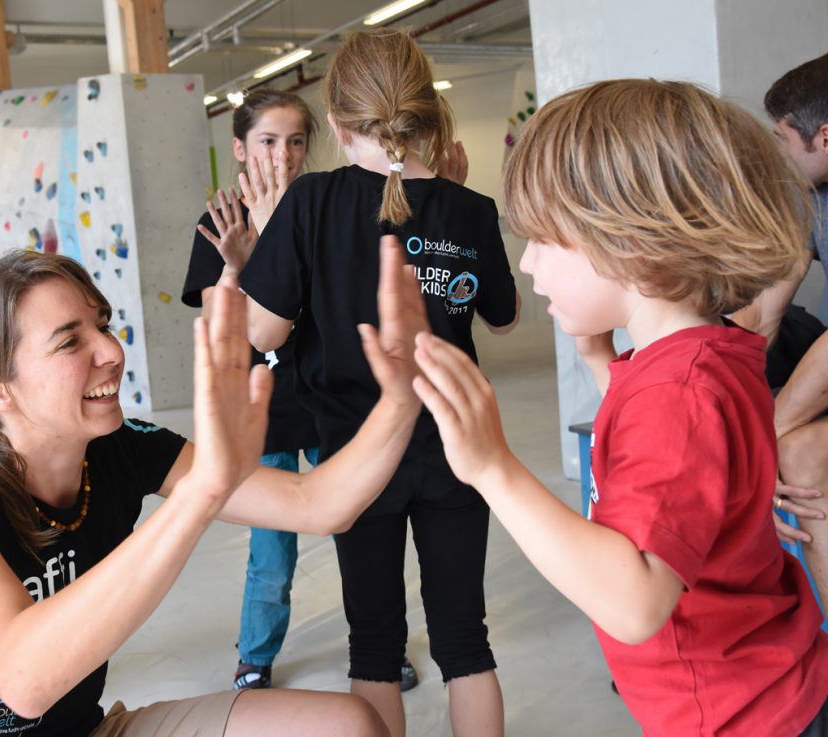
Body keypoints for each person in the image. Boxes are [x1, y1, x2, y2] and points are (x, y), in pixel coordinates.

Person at [411, 79, 828, 737]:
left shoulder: (677, 393)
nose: (526, 262)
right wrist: (599, 361)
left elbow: (635, 602)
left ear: (632, 242)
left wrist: (494, 467)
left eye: (547, 241)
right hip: (767, 687)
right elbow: (669, 463)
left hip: (736, 714)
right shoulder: (706, 351)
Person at [0, 242, 427, 737]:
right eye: (70, 341)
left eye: (104, 325)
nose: (111, 351)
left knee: (347, 725)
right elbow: (23, 680)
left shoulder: (121, 447)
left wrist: (399, 403)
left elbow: (317, 505)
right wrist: (200, 497)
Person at [232, 29, 520, 737]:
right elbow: (504, 318)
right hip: (457, 447)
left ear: (333, 122)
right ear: (428, 113)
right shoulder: (468, 207)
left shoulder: (309, 203)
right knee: (465, 641)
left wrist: (267, 241)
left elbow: (261, 333)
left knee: (375, 646)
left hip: (358, 456)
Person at [183, 88, 420, 693]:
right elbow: (223, 334)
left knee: (359, 534)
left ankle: (380, 645)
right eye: (267, 141)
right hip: (263, 411)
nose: (282, 156)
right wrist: (243, 259)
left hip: (332, 404)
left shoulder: (330, 208)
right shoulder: (218, 224)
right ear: (239, 149)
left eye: (295, 142)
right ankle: (255, 655)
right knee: (271, 553)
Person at [730, 53, 828, 606]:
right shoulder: (813, 197)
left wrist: (764, 432)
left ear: (825, 138)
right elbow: (768, 310)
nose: (778, 152)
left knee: (791, 446)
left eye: (782, 137)